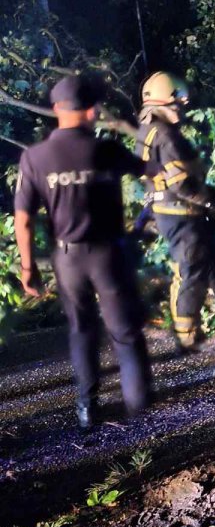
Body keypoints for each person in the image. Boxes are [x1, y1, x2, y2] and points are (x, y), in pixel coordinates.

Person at [14, 74, 156, 428]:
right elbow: (150, 170)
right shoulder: (106, 150)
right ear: (91, 111)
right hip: (108, 254)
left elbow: (24, 219)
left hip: (67, 258)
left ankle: (87, 409)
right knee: (124, 331)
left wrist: (28, 267)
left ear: (57, 109)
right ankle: (140, 408)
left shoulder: (35, 157)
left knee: (81, 328)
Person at [134, 71, 215, 350]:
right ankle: (189, 336)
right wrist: (209, 203)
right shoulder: (166, 135)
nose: (181, 109)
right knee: (192, 268)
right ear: (161, 103)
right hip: (180, 212)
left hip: (176, 211)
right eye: (177, 104)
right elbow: (181, 184)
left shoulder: (149, 131)